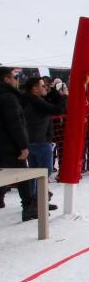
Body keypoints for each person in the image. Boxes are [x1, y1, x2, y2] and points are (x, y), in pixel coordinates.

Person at [21, 77, 66, 208]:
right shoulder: (36, 102)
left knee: (35, 171)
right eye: (43, 86)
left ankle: (36, 199)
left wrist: (54, 92)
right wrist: (64, 96)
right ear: (35, 88)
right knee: (45, 171)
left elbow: (49, 104)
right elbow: (57, 110)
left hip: (32, 140)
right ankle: (38, 199)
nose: (46, 87)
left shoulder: (29, 99)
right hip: (40, 141)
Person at [0, 69, 35, 220]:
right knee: (22, 175)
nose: (17, 80)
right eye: (15, 77)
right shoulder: (9, 97)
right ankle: (28, 207)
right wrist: (23, 145)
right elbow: (15, 123)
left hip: (4, 143)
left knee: (4, 173)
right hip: (10, 144)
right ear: (6, 79)